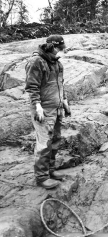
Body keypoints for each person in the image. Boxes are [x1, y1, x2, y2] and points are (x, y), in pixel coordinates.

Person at [25, 35, 71, 189]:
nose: (59, 52)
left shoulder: (57, 63)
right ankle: (42, 177)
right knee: (44, 143)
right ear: (51, 46)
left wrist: (64, 101)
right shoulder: (36, 62)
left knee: (55, 140)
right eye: (58, 49)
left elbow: (60, 84)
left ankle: (51, 170)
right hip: (43, 110)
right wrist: (37, 106)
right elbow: (32, 87)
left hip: (56, 109)